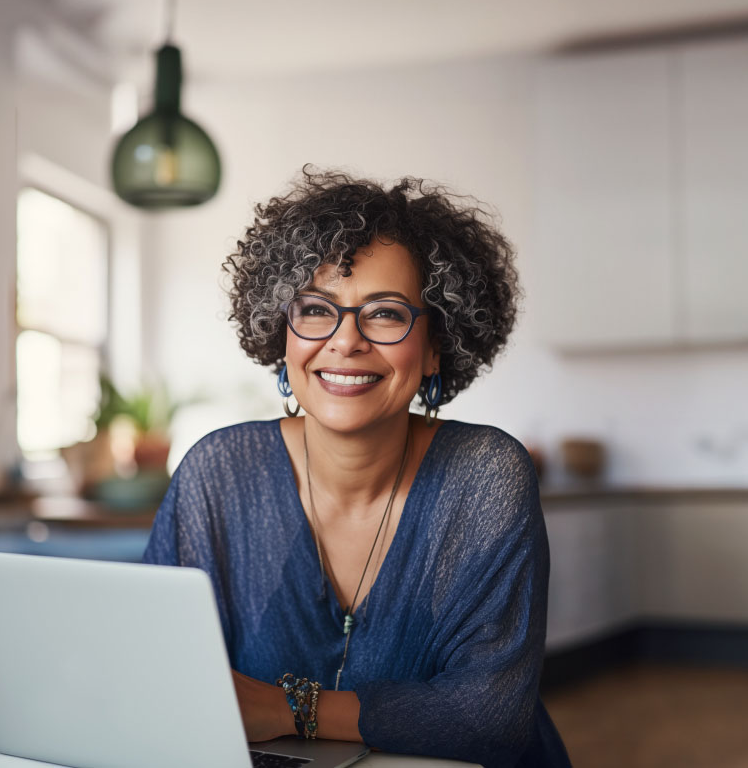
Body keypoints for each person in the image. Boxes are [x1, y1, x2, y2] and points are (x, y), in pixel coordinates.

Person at [142, 168, 571, 768]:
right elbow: (155, 671)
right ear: (282, 336)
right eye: (316, 310)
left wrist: (293, 710)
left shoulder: (487, 476)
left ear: (436, 347)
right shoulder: (218, 472)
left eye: (387, 314)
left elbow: (487, 719)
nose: (345, 342)